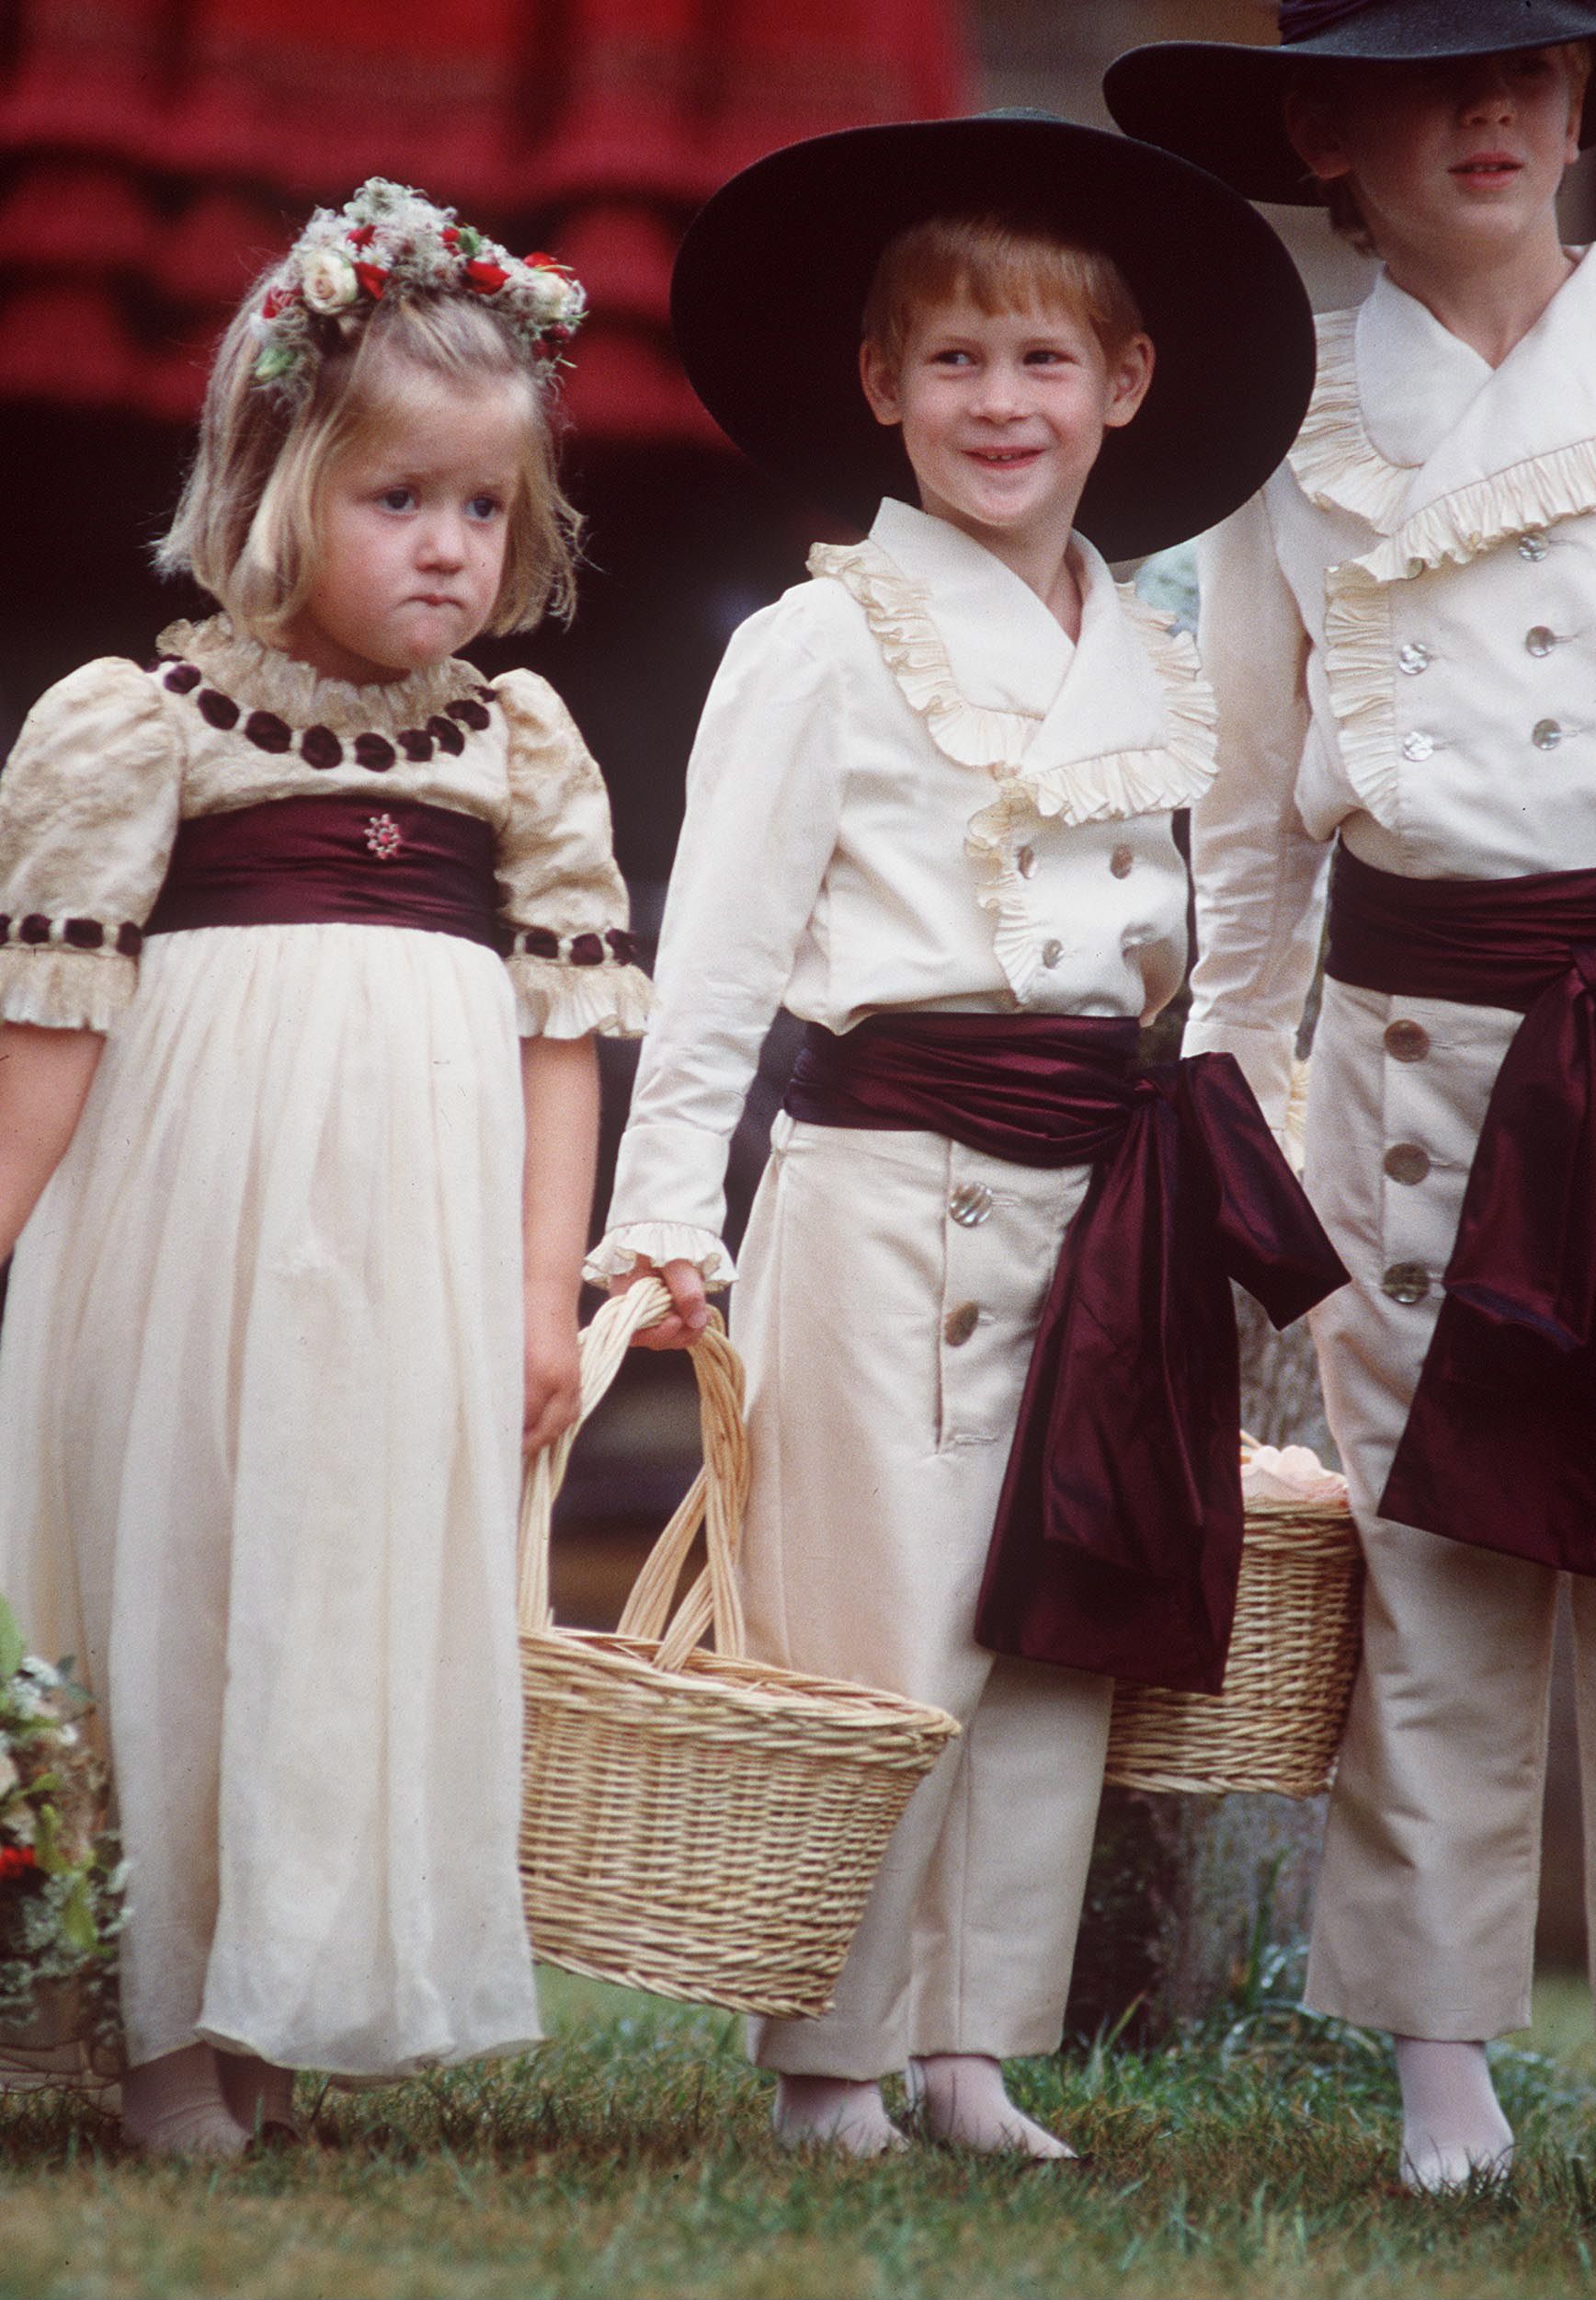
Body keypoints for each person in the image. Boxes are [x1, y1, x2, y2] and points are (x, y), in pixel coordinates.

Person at [587, 113, 1338, 2159]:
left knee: (1048, 1620)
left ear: (1122, 387)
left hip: (1099, 1202)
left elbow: (1195, 960)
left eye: (1036, 363)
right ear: (877, 387)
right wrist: (665, 1223)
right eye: (948, 363)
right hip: (886, 1189)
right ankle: (828, 2058)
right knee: (880, 1619)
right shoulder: (818, 640)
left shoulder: (1158, 663)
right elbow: (719, 962)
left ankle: (968, 2050)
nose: (994, 405)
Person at [1106, 0, 1596, 2195]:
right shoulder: (1285, 430)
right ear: (1317, 130)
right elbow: (1253, 808)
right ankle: (1434, 2050)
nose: (1485, 111)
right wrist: (1230, 1069)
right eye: (1426, 73)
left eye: (1529, 69)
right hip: (1412, 1057)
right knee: (1427, 1549)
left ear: (1576, 108)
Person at [0, 177, 650, 2155]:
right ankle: (158, 2029)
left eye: (480, 510)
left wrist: (546, 1290)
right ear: (274, 485)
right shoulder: (143, 725)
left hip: (420, 1250)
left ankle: (274, 1990)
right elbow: (49, 1034)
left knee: (344, 1588)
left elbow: (561, 1043)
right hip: (189, 1232)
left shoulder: (516, 748)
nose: (445, 549)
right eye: (397, 502)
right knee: (186, 1568)